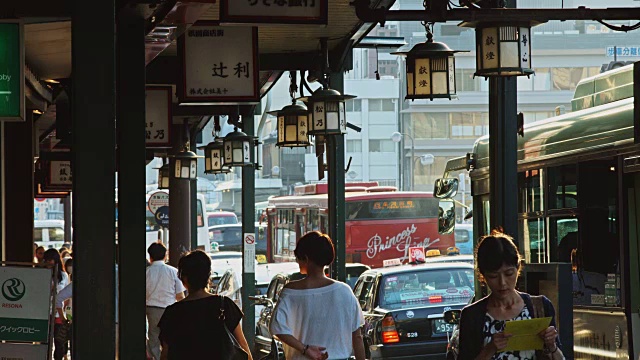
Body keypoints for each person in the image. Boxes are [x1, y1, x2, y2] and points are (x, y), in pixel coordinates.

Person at [457, 230, 564, 360]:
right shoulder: (472, 316)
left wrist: (551, 345)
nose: (502, 283)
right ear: (482, 276)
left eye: (509, 274)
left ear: (518, 268)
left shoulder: (540, 307)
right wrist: (490, 349)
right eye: (493, 276)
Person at [269, 231, 366, 360]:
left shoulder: (290, 291)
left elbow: (276, 328)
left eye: (298, 257)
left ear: (306, 259)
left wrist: (305, 349)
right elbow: (357, 336)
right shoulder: (345, 291)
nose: (297, 261)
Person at [157, 250, 253, 360]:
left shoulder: (172, 312)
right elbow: (243, 345)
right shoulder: (224, 304)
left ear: (184, 278)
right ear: (208, 276)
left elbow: (165, 353)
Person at [146, 243, 185, 360]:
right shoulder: (173, 272)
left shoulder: (146, 272)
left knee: (153, 338)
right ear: (165, 255)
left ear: (150, 257)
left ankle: (156, 358)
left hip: (151, 309)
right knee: (170, 337)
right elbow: (180, 295)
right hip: (170, 309)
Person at [44, 249, 70, 360]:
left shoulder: (63, 275)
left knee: (59, 342)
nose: (48, 262)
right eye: (46, 260)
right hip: (44, 312)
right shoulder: (42, 273)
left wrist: (65, 312)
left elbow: (66, 295)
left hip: (59, 313)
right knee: (46, 341)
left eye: (50, 259)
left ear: (56, 260)